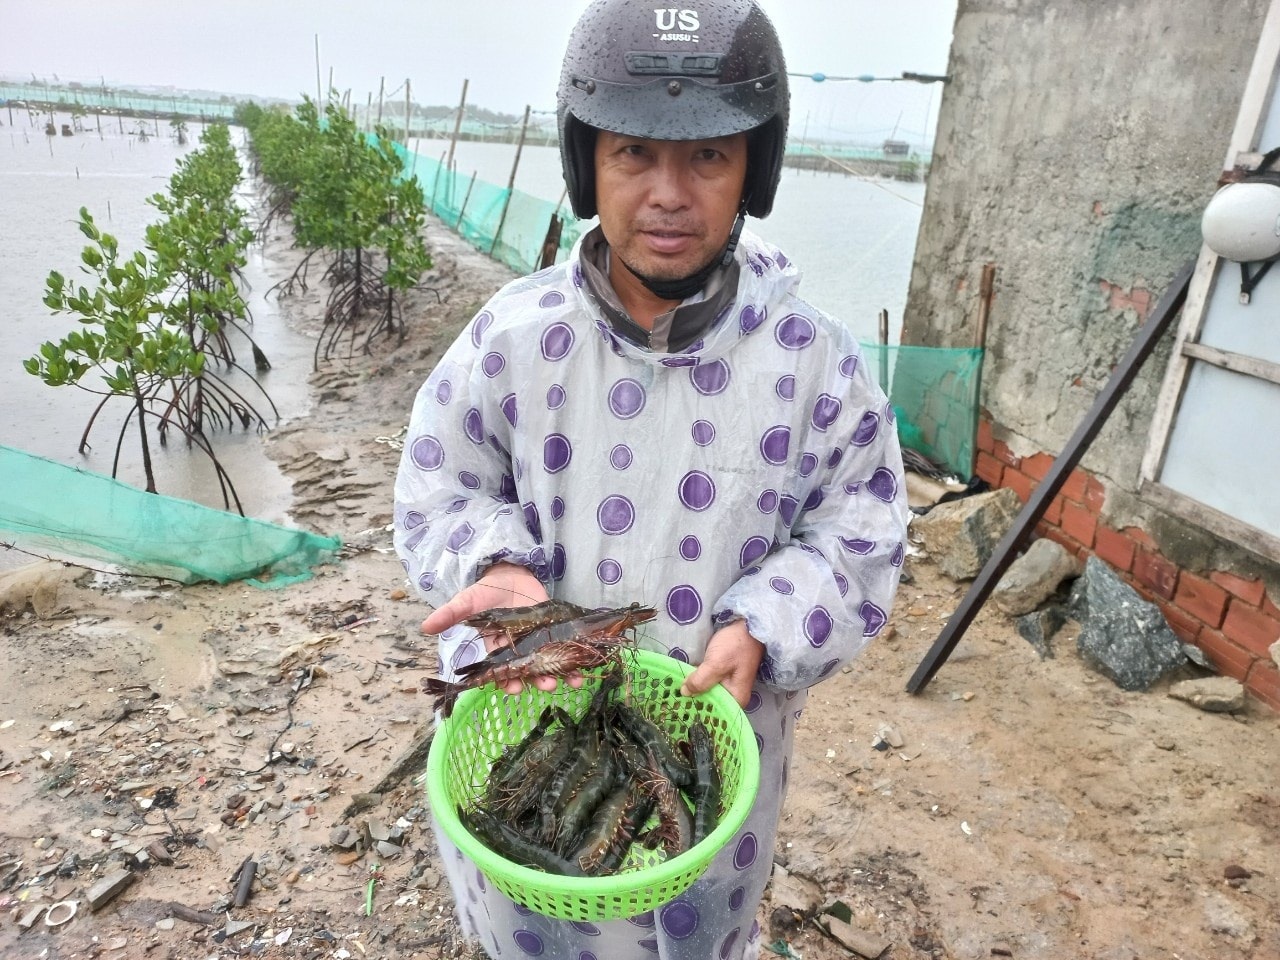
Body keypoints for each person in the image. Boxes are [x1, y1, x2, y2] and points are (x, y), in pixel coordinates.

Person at [393, 0, 908, 956]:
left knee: (699, 929)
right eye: (634, 152)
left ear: (756, 165)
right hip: (532, 714)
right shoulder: (512, 339)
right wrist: (498, 573)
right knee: (536, 911)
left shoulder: (814, 362)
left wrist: (768, 620)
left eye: (708, 156)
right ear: (587, 161)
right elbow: (440, 485)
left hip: (717, 739)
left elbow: (862, 531)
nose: (670, 192)